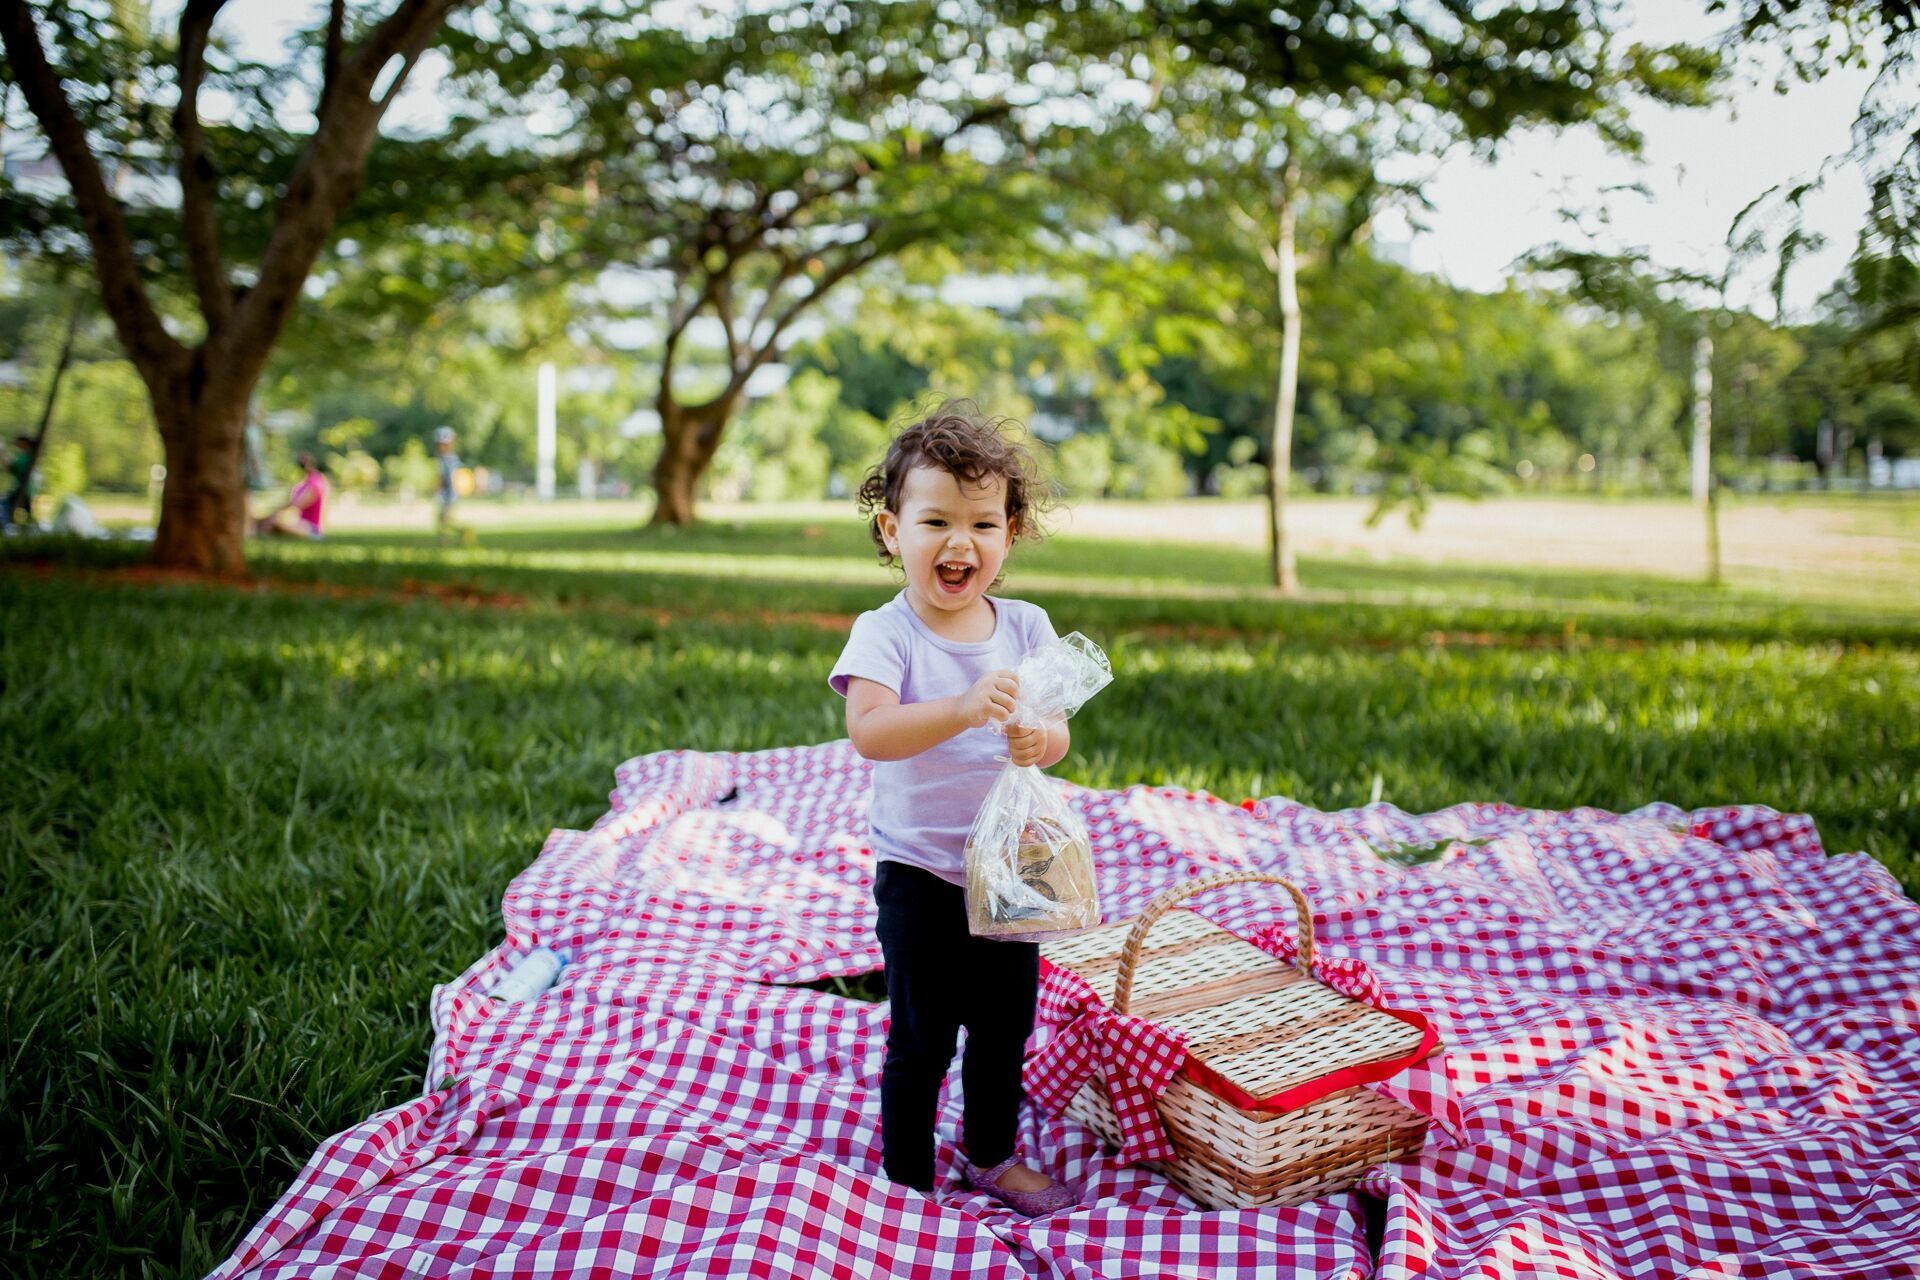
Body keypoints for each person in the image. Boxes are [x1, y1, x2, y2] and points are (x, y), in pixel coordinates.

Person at [828, 403, 1076, 1216]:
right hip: (921, 872)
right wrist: (965, 709)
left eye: (982, 522)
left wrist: (1039, 738)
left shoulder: (1029, 626)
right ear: (891, 530)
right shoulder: (886, 632)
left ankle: (993, 1155)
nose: (958, 542)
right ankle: (906, 1178)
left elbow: (1058, 729)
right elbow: (869, 732)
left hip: (1011, 868)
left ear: (1011, 535)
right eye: (935, 519)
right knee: (922, 1038)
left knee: (1004, 1030)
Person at [253, 452, 328, 538]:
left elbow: (298, 503)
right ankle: (258, 529)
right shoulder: (304, 483)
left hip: (313, 529)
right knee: (268, 521)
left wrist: (277, 511)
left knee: (276, 521)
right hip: (302, 524)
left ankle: (259, 531)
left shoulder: (316, 481)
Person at [433, 425, 463, 540]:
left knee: (445, 518)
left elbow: (444, 477)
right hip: (446, 494)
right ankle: (449, 536)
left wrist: (437, 489)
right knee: (444, 518)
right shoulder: (448, 458)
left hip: (449, 494)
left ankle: (448, 538)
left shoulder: (449, 459)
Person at [5, 434, 36, 529]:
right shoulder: (28, 455)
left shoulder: (26, 457)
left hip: (22, 490)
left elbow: (12, 468)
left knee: (6, 507)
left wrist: (3, 454)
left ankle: (9, 528)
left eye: (18, 441)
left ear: (24, 442)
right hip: (26, 490)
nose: (16, 444)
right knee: (28, 515)